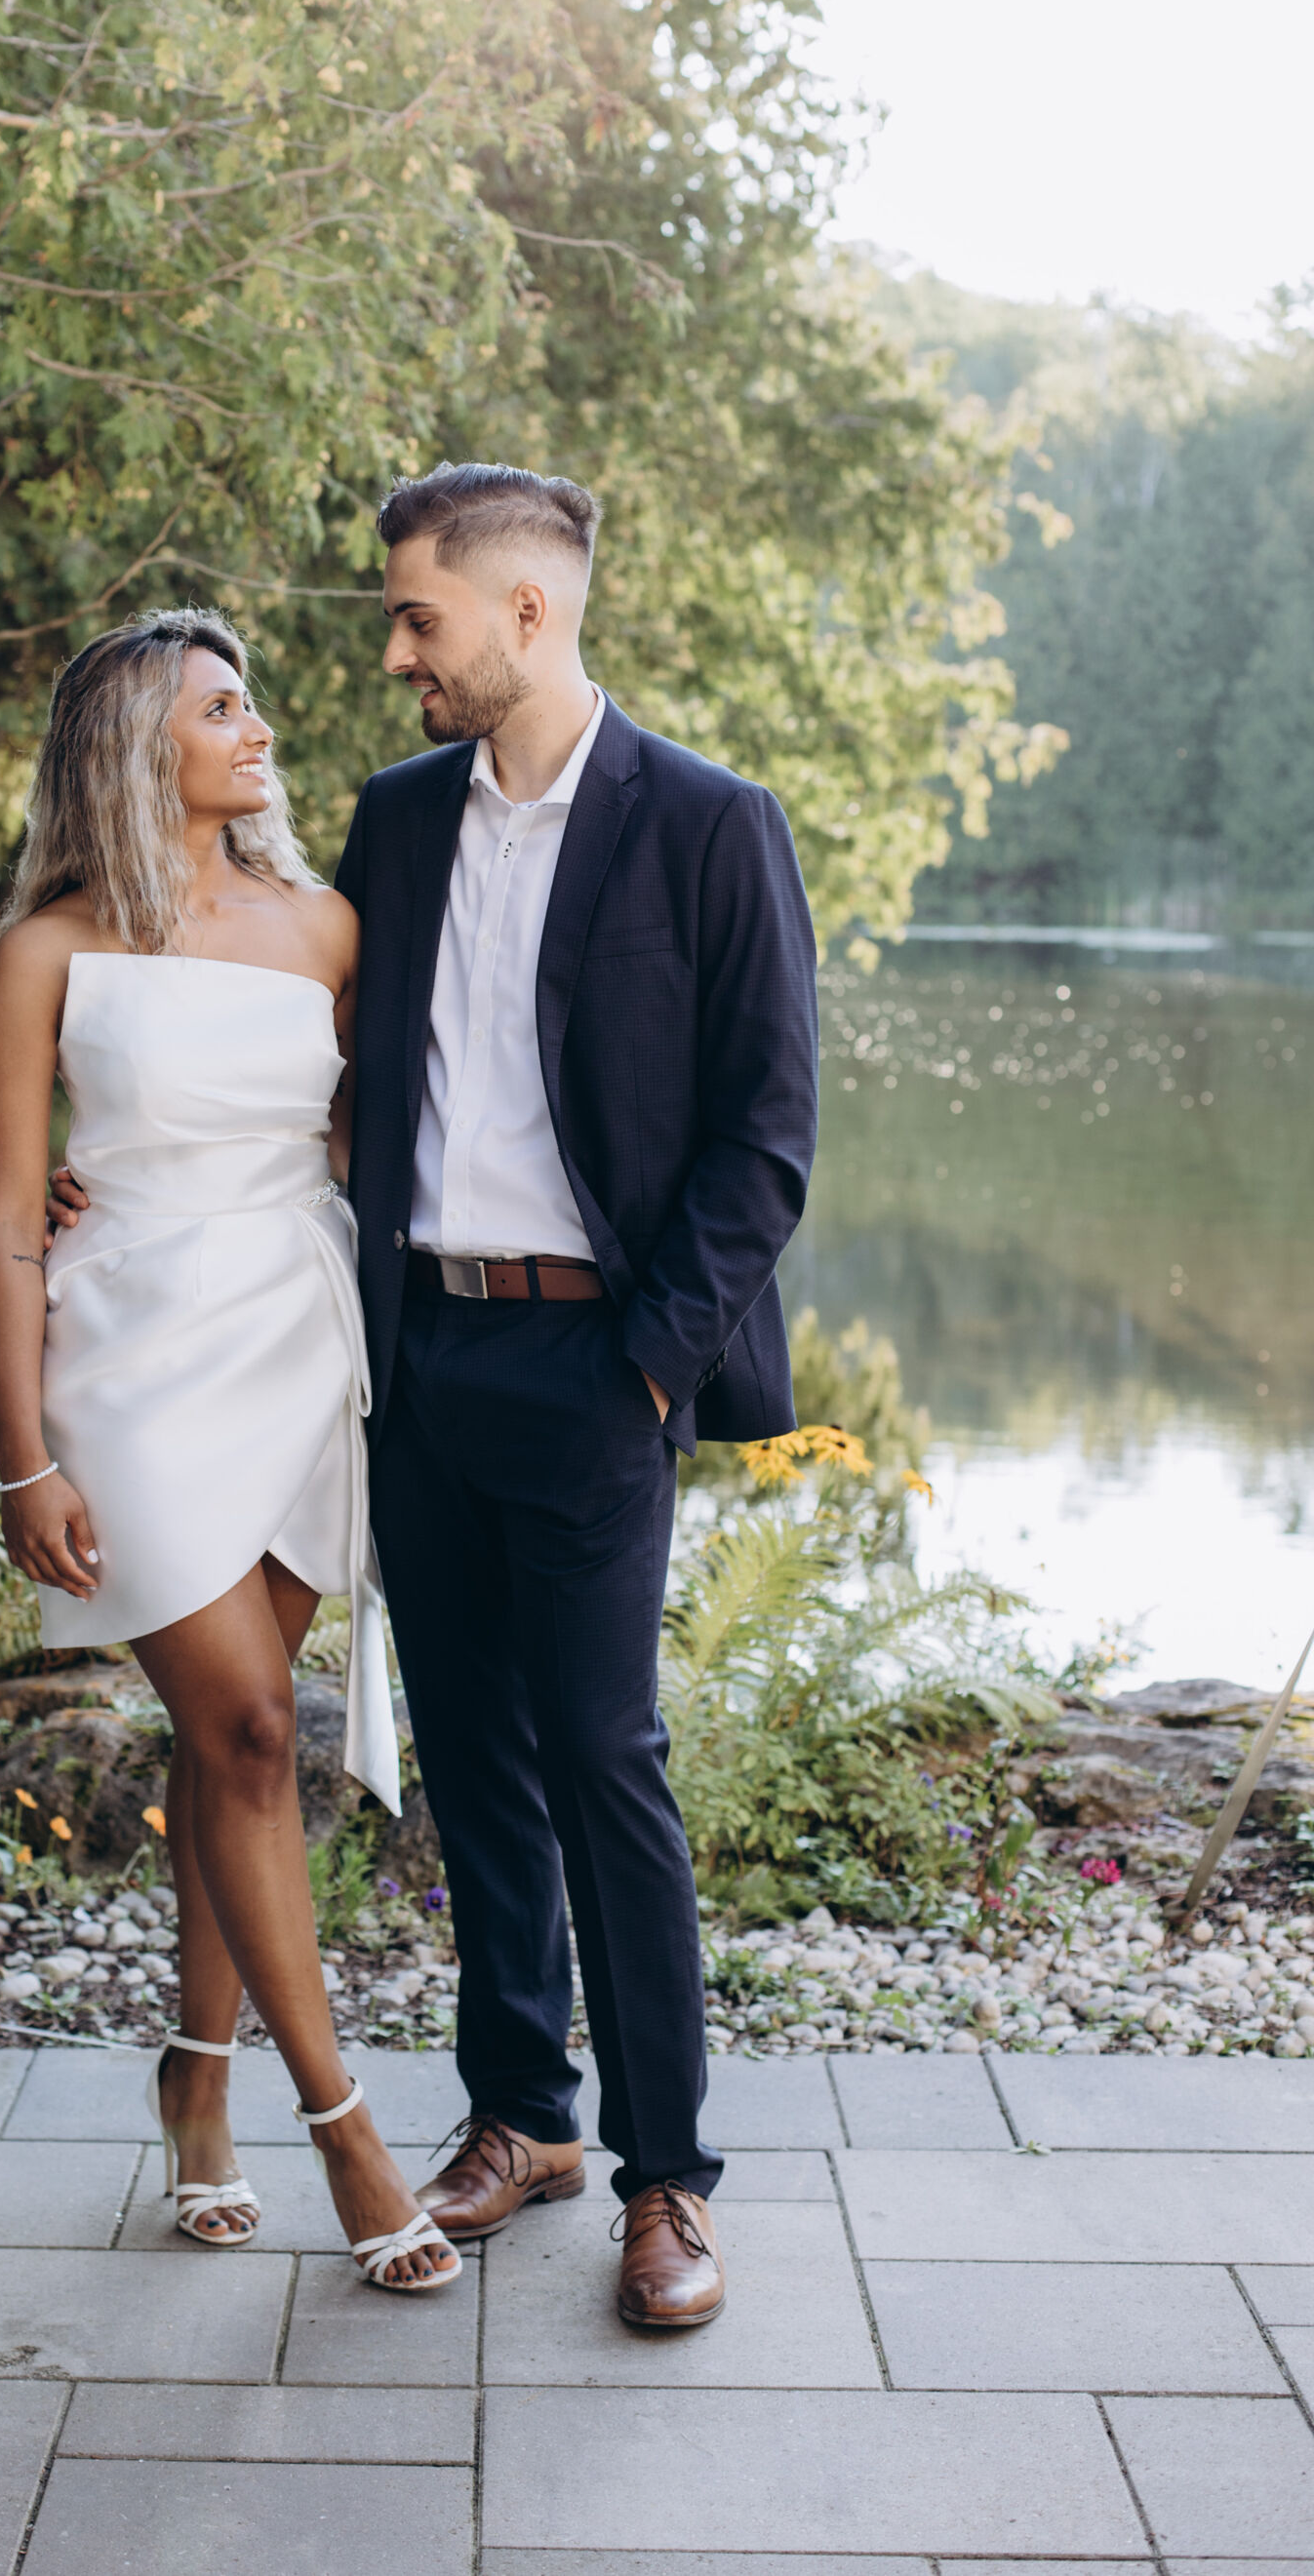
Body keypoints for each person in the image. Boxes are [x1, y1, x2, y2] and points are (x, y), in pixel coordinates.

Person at [334, 462, 818, 2330]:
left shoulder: (707, 822)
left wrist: (648, 1365)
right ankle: (525, 2115)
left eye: (418, 618)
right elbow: (324, 1070)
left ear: (525, 612)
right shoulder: (396, 823)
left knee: (608, 1763)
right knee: (472, 1754)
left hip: (596, 1365)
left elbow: (765, 1135)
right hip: (425, 1353)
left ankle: (667, 2177)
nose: (398, 654)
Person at [0, 606, 459, 2295]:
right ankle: (346, 2131)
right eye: (222, 710)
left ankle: (197, 2075)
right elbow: (7, 1217)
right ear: (134, 745)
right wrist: (24, 1458)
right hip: (131, 1358)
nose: (259, 732)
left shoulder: (326, 926)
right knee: (251, 1726)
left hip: (297, 1344)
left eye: (251, 708)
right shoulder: (44, 954)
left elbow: (375, 1139)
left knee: (225, 1745)